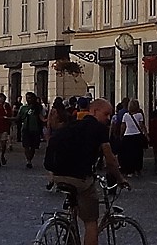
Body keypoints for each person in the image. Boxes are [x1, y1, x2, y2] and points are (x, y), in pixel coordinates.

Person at [44, 96, 128, 245]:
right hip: (79, 177)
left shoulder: (73, 124)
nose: (108, 118)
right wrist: (120, 179)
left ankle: (71, 231)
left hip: (57, 175)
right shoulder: (99, 129)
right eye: (106, 114)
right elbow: (110, 159)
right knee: (91, 220)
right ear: (94, 111)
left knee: (76, 204)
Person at [115, 98, 147, 176]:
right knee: (138, 154)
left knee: (128, 154)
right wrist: (145, 134)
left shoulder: (125, 115)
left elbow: (123, 126)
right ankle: (137, 169)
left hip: (128, 136)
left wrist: (121, 135)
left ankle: (130, 170)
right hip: (137, 135)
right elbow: (142, 126)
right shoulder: (139, 115)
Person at [19, 91, 47, 168]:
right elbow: (19, 117)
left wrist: (47, 120)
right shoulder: (23, 108)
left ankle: (30, 158)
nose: (28, 99)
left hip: (35, 129)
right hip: (25, 129)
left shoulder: (37, 108)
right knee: (26, 145)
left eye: (30, 98)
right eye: (27, 98)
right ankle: (28, 160)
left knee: (33, 147)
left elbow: (41, 117)